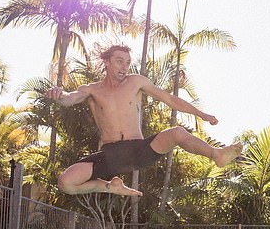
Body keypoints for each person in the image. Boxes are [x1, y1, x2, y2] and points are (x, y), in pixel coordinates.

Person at [45, 44, 243, 197]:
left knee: (176, 133)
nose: (124, 67)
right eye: (119, 61)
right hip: (110, 157)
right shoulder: (92, 89)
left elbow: (170, 99)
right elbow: (70, 98)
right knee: (65, 183)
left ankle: (216, 154)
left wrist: (201, 114)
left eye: (128, 62)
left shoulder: (136, 82)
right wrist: (59, 94)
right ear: (107, 62)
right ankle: (110, 188)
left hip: (139, 150)